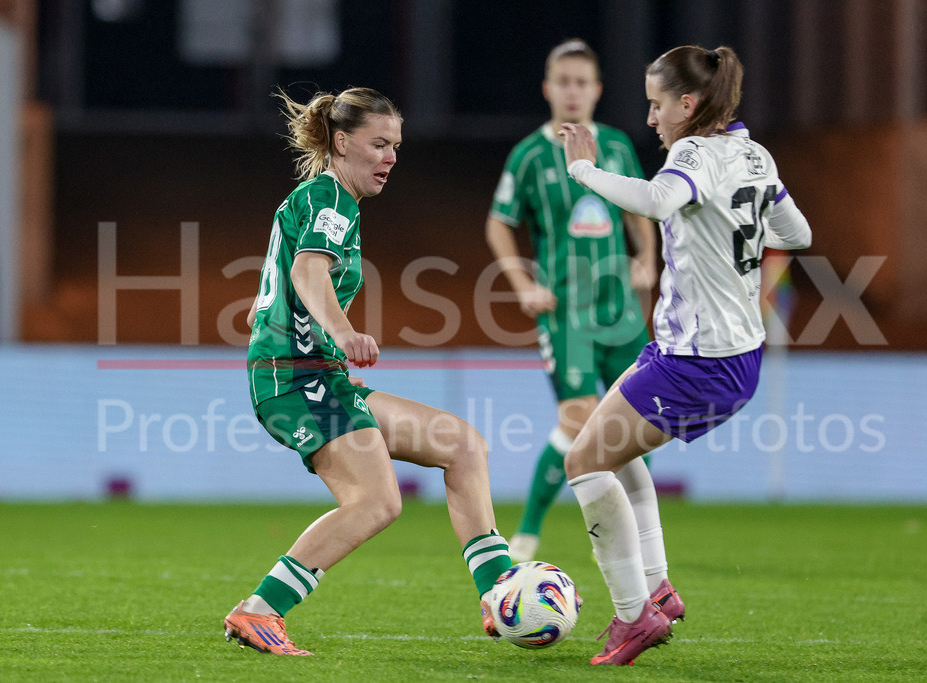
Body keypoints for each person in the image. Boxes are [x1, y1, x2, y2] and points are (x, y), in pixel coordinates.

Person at [224, 87, 513, 655]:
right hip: (292, 377)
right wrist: (342, 333)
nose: (391, 157)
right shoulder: (330, 198)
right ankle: (258, 611)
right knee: (376, 501)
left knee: (462, 445)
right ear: (341, 141)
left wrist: (333, 350)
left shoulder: (332, 200)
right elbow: (309, 275)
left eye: (397, 146)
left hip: (318, 375)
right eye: (379, 144)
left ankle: (500, 592)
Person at [558, 45, 812, 665]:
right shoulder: (755, 153)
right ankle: (655, 589)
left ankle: (632, 618)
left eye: (656, 104)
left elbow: (657, 201)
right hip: (723, 352)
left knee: (584, 463)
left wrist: (584, 172)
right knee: (612, 453)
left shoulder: (693, 152)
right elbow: (797, 234)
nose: (651, 119)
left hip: (697, 361)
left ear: (689, 104)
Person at [485, 39, 658, 563]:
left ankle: (642, 548)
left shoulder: (618, 147)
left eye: (583, 82)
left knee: (630, 428)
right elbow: (498, 223)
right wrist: (521, 285)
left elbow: (639, 210)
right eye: (564, 81)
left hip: (619, 310)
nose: (573, 91)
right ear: (548, 89)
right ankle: (530, 532)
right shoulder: (530, 155)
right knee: (579, 416)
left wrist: (647, 260)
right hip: (566, 314)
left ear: (597, 90)